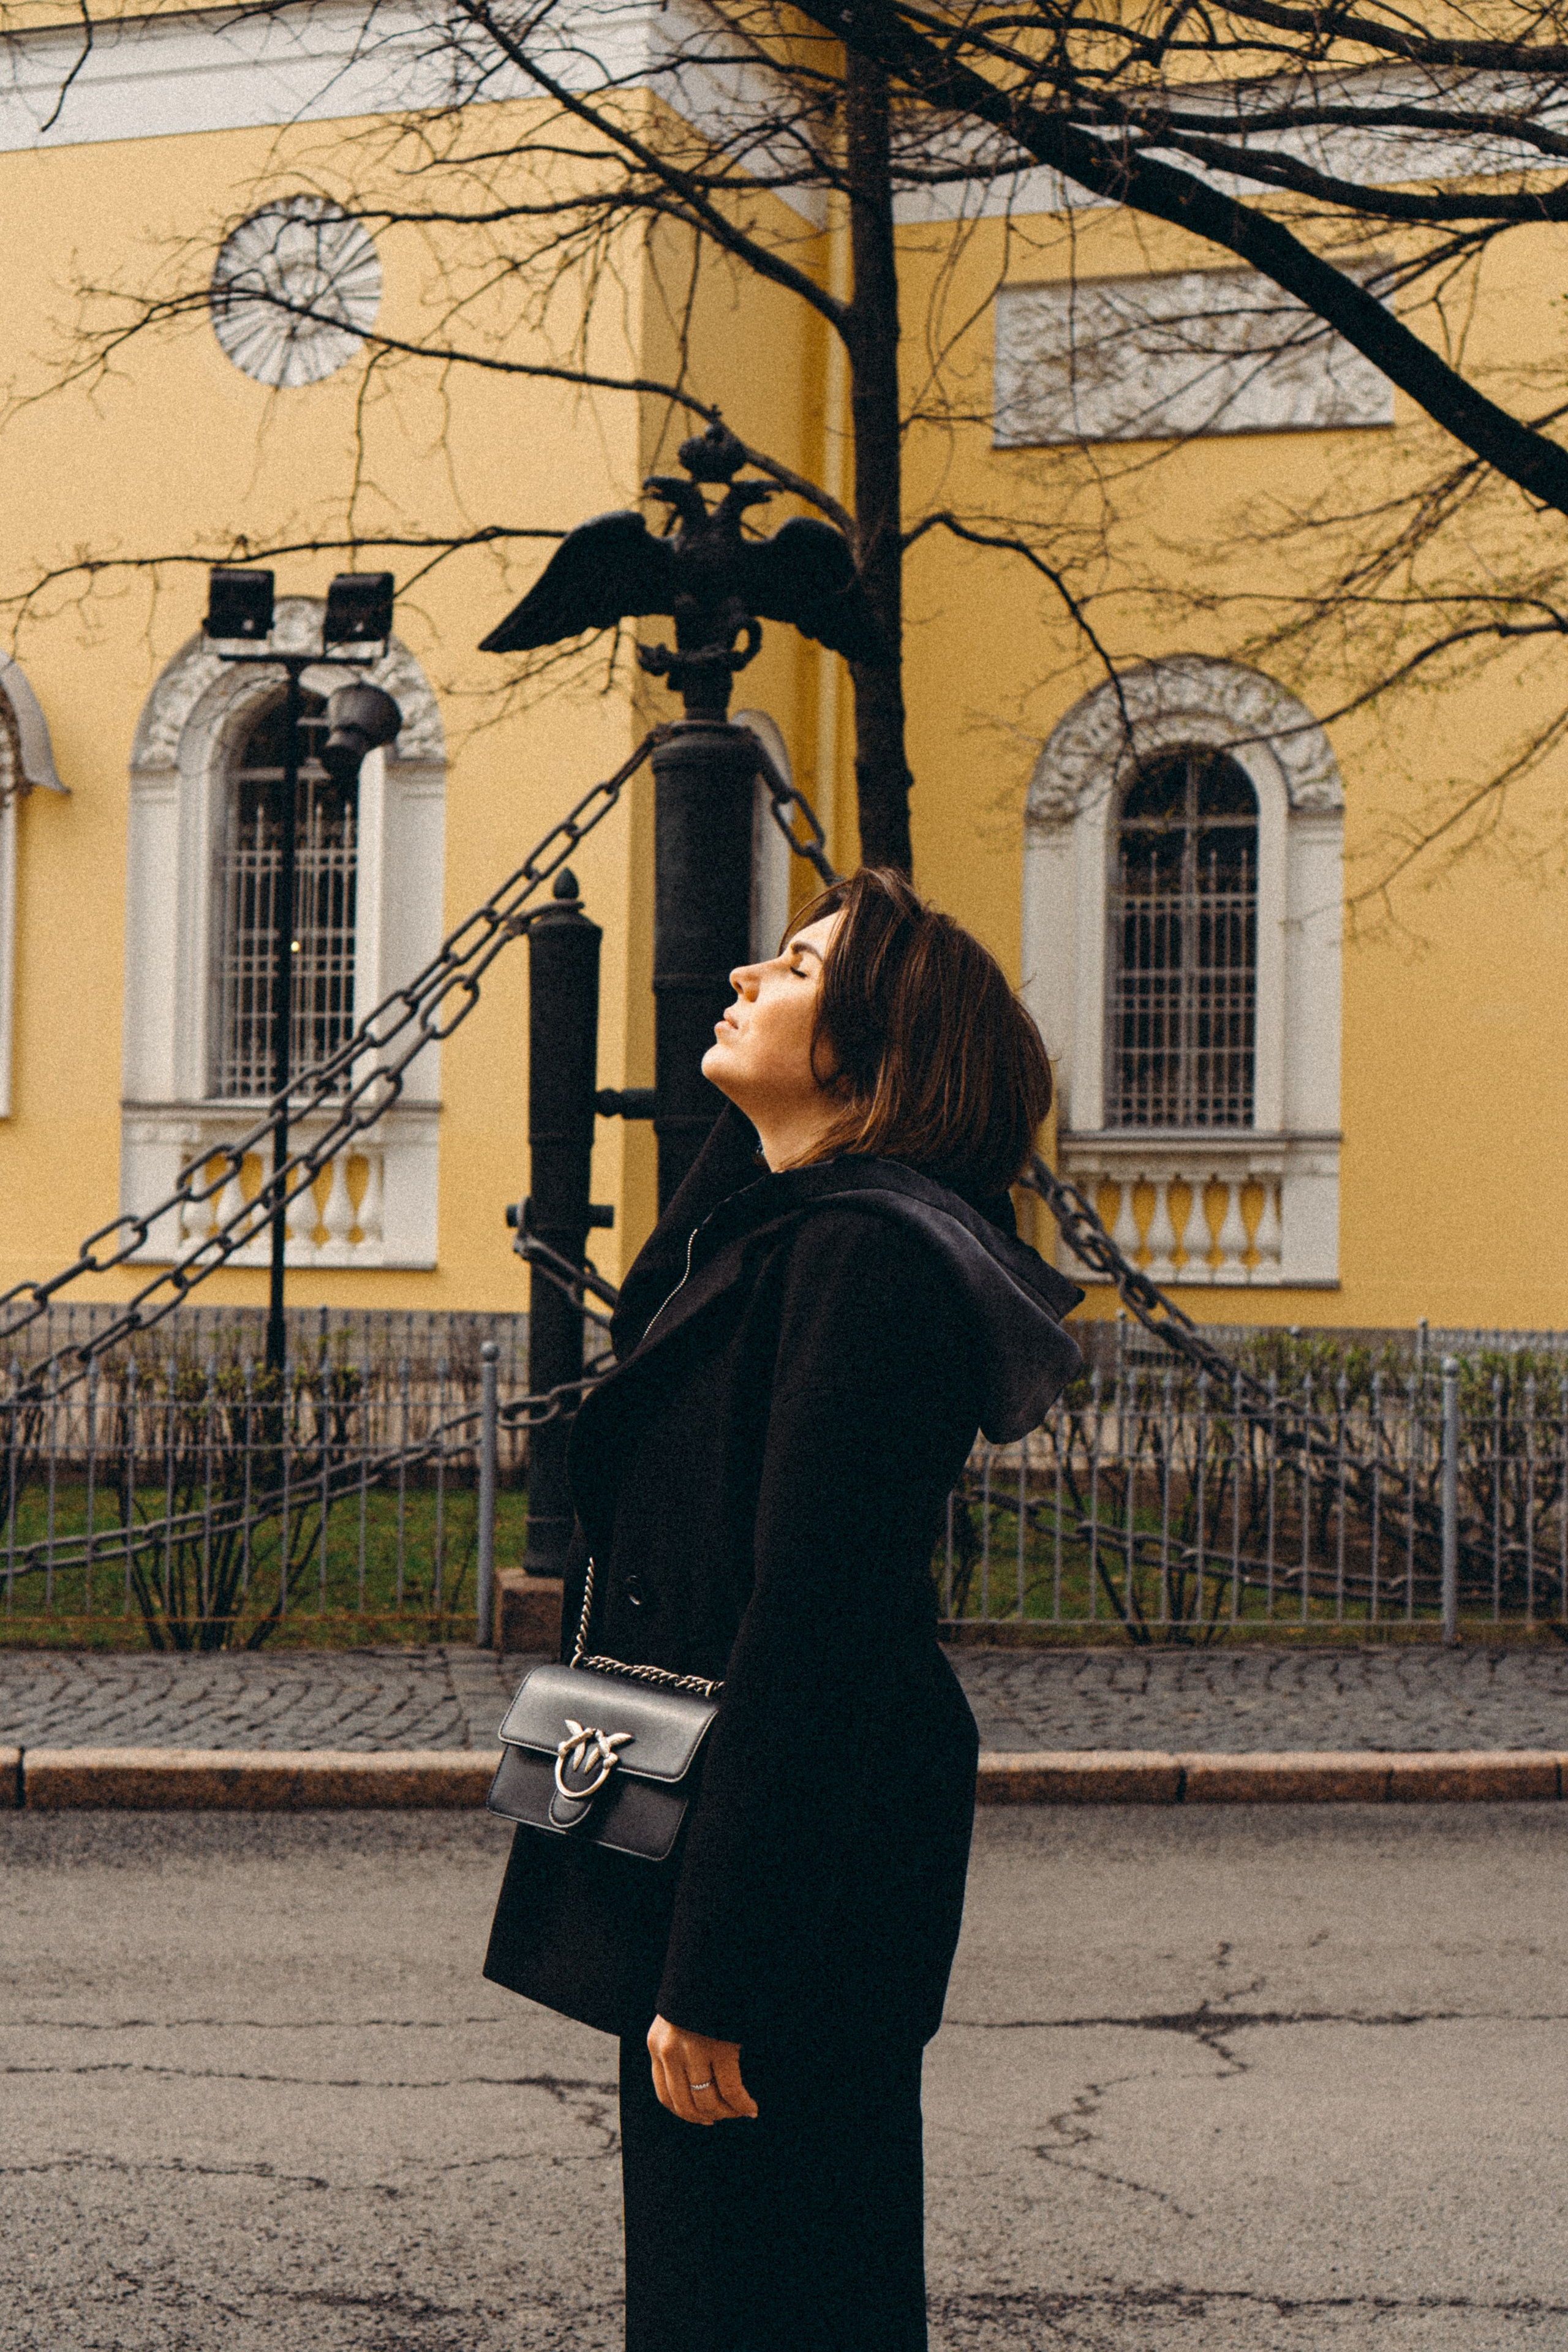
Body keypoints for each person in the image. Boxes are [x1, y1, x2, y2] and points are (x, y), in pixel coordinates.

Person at [486, 866, 1083, 2352]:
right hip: (717, 1849)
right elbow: (656, 1316)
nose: (742, 978)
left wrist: (720, 1965)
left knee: (773, 2292)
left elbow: (814, 1629)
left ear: (871, 1049)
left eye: (798, 968)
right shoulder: (788, 1239)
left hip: (790, 1892)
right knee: (718, 2286)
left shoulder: (869, 1265)